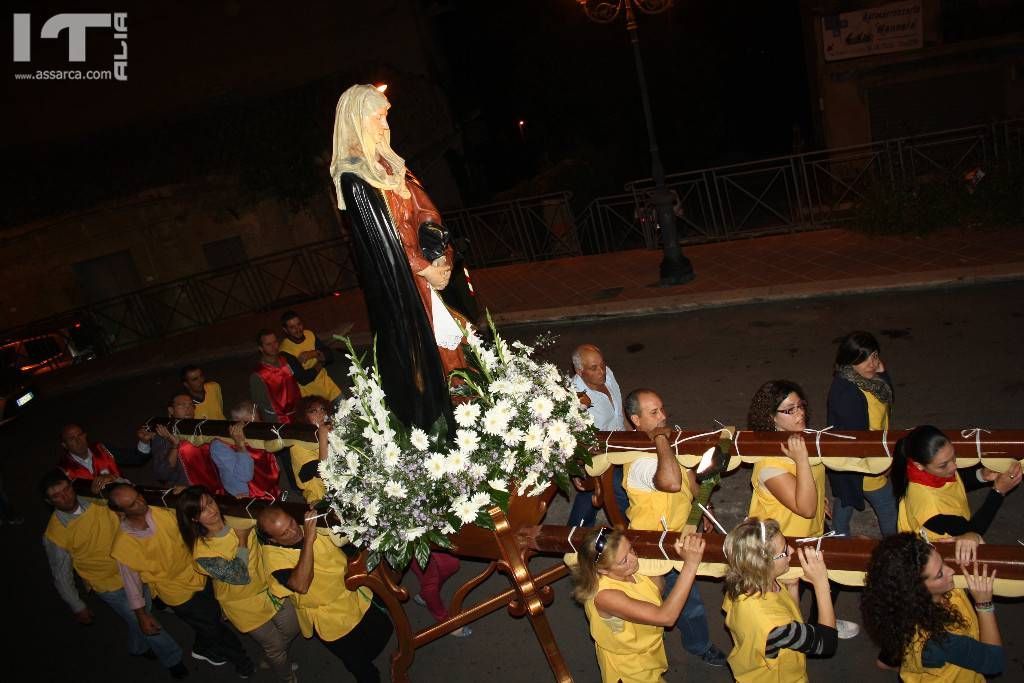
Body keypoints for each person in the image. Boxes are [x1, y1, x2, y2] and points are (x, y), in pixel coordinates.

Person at [330, 83, 461, 433]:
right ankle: (440, 431)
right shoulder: (356, 178)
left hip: (428, 271)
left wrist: (439, 256)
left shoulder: (390, 165)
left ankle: (465, 415)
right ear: (358, 119)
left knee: (457, 346)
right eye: (378, 116)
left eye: (386, 115)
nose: (385, 124)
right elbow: (382, 244)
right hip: (406, 285)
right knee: (428, 357)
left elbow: (424, 211)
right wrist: (424, 271)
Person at [40, 470, 187, 678]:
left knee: (142, 614)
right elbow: (60, 574)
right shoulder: (55, 534)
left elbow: (127, 492)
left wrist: (113, 480)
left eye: (66, 489)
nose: (65, 496)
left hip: (134, 568)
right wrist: (77, 605)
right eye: (57, 496)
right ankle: (174, 659)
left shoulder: (96, 498)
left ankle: (137, 648)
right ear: (49, 501)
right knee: (143, 619)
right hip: (109, 584)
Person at [619, 388, 728, 667]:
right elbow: (670, 482)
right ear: (635, 420)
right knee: (686, 604)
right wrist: (661, 440)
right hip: (656, 546)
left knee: (681, 599)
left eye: (662, 409)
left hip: (682, 533)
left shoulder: (665, 441)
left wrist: (703, 507)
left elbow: (687, 476)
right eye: (653, 413)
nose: (663, 417)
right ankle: (696, 646)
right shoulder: (638, 461)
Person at [746, 380, 860, 639]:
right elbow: (806, 507)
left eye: (800, 406)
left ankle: (820, 620)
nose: (800, 414)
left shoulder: (798, 438)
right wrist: (802, 461)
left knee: (828, 579)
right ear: (770, 417)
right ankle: (805, 636)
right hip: (784, 541)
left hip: (811, 531)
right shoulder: (769, 462)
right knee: (790, 601)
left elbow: (811, 489)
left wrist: (822, 500)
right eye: (789, 410)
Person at [107, 483, 255, 677]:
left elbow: (192, 510)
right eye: (133, 504)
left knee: (210, 619)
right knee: (215, 629)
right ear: (121, 512)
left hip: (199, 575)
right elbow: (131, 585)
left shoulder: (161, 511)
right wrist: (142, 615)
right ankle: (243, 663)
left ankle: (203, 646)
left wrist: (184, 492)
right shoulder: (123, 545)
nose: (141, 502)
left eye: (139, 496)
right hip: (179, 594)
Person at [176, 487, 300, 682]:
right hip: (244, 606)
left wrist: (250, 501)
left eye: (210, 502)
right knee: (275, 646)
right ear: (194, 519)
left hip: (270, 588)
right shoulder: (201, 553)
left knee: (294, 627)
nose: (211, 510)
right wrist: (242, 539)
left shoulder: (236, 516)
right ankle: (285, 674)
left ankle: (275, 655)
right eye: (202, 510)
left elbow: (269, 517)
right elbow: (239, 575)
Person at [257, 505, 392, 682]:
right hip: (330, 618)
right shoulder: (272, 558)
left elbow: (348, 548)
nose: (294, 531)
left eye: (291, 522)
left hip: (353, 593)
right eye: (284, 533)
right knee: (359, 664)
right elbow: (301, 584)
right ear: (273, 540)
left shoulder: (313, 523)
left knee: (382, 631)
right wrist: (308, 541)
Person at [862, 533, 1005, 680]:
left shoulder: (901, 606)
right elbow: (993, 663)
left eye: (942, 561)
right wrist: (984, 605)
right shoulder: (936, 642)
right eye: (939, 574)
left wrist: (970, 537)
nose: (951, 571)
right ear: (918, 590)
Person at [571, 527, 706, 682]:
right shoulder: (605, 597)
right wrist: (690, 565)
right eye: (623, 561)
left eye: (631, 549)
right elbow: (666, 617)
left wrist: (673, 554)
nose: (634, 558)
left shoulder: (627, 568)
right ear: (602, 570)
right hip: (629, 668)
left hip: (646, 653)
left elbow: (656, 590)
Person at [722, 518, 838, 682]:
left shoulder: (741, 585)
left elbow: (789, 616)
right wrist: (822, 584)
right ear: (763, 564)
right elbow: (827, 643)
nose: (791, 550)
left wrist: (792, 587)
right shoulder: (775, 627)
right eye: (784, 551)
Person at [893, 425, 1020, 565]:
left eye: (954, 457)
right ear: (919, 465)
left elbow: (954, 483)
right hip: (939, 560)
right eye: (944, 465)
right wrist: (998, 491)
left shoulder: (921, 471)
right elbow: (971, 532)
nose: (954, 467)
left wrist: (981, 475)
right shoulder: (931, 510)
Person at [826, 331, 898, 537]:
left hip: (861, 464)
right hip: (863, 465)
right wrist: (882, 464)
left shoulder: (873, 382)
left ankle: (839, 538)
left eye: (874, 356)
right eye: (863, 358)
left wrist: (883, 375)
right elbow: (858, 440)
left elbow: (886, 399)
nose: (872, 363)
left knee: (845, 500)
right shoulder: (848, 392)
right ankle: (895, 549)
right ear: (850, 362)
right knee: (887, 509)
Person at [567, 344, 628, 527]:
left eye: (602, 364)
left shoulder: (607, 373)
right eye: (594, 368)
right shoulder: (573, 398)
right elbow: (568, 437)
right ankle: (634, 534)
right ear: (580, 371)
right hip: (599, 455)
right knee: (621, 491)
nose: (601, 371)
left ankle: (574, 540)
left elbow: (619, 412)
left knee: (591, 492)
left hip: (621, 443)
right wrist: (575, 468)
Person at [143, 393, 225, 493]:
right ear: (171, 410)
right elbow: (162, 474)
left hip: (216, 487)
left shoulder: (202, 428)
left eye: (191, 405)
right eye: (182, 405)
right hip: (189, 491)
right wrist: (174, 447)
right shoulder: (163, 434)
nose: (188, 409)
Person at [209, 402, 281, 499]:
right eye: (252, 425)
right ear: (237, 424)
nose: (258, 429)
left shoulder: (258, 436)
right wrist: (240, 446)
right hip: (245, 496)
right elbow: (244, 476)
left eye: (259, 423)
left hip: (268, 490)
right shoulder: (220, 445)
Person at [57, 422, 150, 486]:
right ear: (64, 445)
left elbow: (137, 458)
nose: (78, 440)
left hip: (124, 500)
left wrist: (144, 441)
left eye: (80, 435)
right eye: (71, 438)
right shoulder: (63, 470)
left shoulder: (102, 448)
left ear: (85, 436)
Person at [278, 311, 342, 402]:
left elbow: (330, 355)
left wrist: (312, 353)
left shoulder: (309, 334)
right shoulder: (284, 351)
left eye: (299, 324)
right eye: (292, 327)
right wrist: (321, 362)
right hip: (310, 396)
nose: (298, 329)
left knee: (349, 411)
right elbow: (304, 379)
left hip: (328, 386)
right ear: (285, 330)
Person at [250, 329, 302, 424]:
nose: (274, 347)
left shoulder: (285, 360)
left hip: (298, 413)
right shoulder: (258, 375)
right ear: (261, 348)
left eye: (275, 342)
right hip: (280, 421)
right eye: (268, 344)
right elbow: (260, 406)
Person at [291, 396, 331, 504]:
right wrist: (323, 437)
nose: (321, 414)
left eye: (323, 409)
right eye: (313, 411)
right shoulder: (297, 445)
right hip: (318, 498)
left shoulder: (324, 432)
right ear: (304, 416)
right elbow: (324, 472)